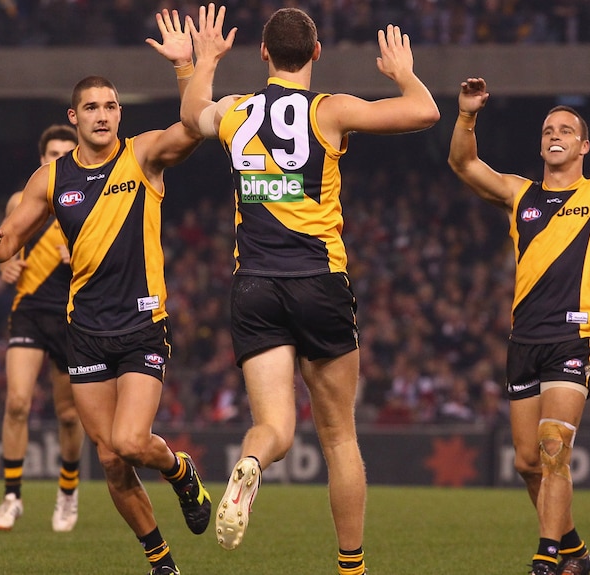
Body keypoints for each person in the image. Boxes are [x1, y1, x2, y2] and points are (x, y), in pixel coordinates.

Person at [180, 5, 439, 574]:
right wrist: (402, 72)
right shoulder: (330, 110)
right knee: (340, 437)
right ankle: (351, 568)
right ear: (317, 54)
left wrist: (203, 61)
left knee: (273, 425)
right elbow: (424, 111)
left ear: (265, 54)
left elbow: (192, 113)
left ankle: (251, 461)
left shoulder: (236, 111)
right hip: (319, 282)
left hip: (254, 286)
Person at [0, 9, 208, 575]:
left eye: (111, 106)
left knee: (130, 441)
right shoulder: (51, 180)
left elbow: (198, 126)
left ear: (119, 114)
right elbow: (9, 248)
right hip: (86, 332)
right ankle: (162, 563)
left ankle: (180, 470)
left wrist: (185, 67)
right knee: (111, 458)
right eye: (93, 107)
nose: (103, 115)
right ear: (74, 117)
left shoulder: (144, 154)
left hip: (142, 323)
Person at [448, 49, 590, 575]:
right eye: (547, 128)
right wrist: (467, 115)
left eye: (565, 128)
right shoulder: (519, 194)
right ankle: (575, 552)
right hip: (524, 341)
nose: (554, 134)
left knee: (552, 450)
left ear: (585, 145)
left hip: (572, 338)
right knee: (527, 463)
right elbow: (463, 163)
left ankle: (546, 558)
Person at [0, 124, 85, 533]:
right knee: (17, 403)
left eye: (65, 153)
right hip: (28, 309)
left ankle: (67, 493)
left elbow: (110, 264)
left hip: (69, 314)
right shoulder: (21, 201)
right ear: (41, 159)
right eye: (51, 154)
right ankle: (12, 497)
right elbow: (2, 247)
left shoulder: (87, 202)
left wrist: (77, 257)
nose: (57, 160)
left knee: (67, 416)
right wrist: (2, 264)